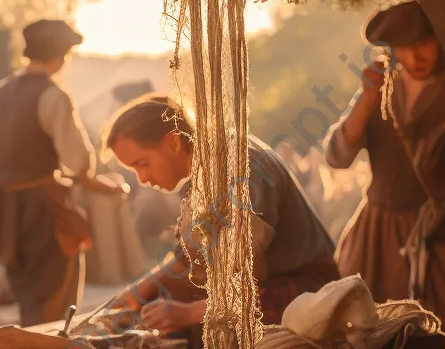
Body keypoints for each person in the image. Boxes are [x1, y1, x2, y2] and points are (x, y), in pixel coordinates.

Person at [325, 0, 445, 349]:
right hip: (376, 232)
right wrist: (365, 103)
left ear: (440, 41)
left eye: (425, 42)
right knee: (366, 330)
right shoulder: (380, 88)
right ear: (393, 49)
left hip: (441, 231)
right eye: (406, 47)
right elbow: (337, 157)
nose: (417, 54)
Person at [104, 93, 340, 332]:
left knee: (173, 317)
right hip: (254, 284)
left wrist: (188, 313)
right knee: (151, 302)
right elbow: (188, 258)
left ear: (174, 142)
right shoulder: (203, 170)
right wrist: (133, 293)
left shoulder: (241, 170)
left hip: (305, 290)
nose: (142, 179)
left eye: (142, 164)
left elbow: (242, 279)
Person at [0, 19, 128, 326]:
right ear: (61, 55)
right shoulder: (55, 96)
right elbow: (78, 162)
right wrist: (109, 186)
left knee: (27, 287)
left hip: (2, 209)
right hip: (40, 208)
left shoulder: (1, 90)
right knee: (55, 287)